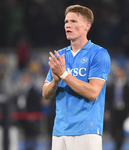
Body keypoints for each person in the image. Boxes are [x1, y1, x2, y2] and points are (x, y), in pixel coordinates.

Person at [42, 5, 111, 150]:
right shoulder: (59, 56)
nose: (68, 25)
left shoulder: (99, 54)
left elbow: (92, 93)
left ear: (87, 26)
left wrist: (64, 75)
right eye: (66, 21)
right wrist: (55, 81)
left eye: (73, 21)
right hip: (60, 132)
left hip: (87, 131)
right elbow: (46, 94)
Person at [105, 66, 129, 150]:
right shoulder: (111, 85)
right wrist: (107, 111)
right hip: (113, 110)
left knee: (122, 128)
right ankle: (117, 142)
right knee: (114, 129)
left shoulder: (127, 86)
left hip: (124, 111)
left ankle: (119, 144)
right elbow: (108, 99)